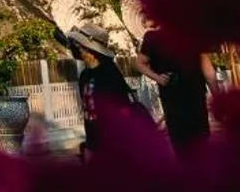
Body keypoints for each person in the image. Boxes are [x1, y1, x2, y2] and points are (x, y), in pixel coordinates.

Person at [138, 23, 214, 152]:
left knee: (200, 139)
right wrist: (158, 78)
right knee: (182, 141)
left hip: (195, 96)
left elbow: (206, 67)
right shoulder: (152, 37)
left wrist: (217, 94)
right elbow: (140, 63)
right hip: (173, 98)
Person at [69, 25, 142, 159]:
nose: (77, 48)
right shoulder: (84, 75)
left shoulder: (110, 73)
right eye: (77, 45)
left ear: (91, 49)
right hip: (93, 142)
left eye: (80, 45)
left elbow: (123, 110)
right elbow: (87, 109)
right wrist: (89, 147)